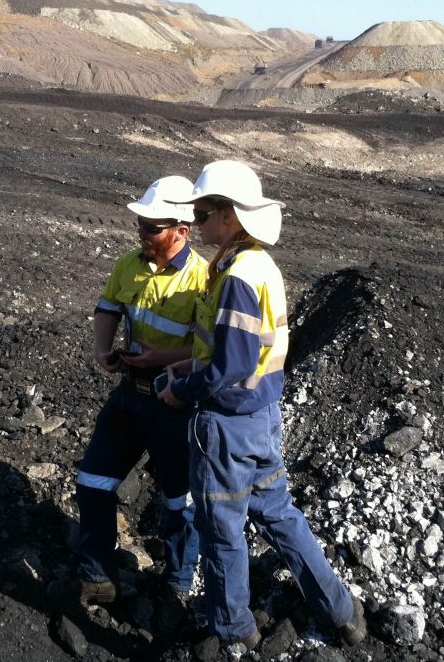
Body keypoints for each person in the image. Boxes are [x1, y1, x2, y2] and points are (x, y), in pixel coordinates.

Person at [157, 160, 366, 649]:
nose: (197, 223)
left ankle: (233, 632)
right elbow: (237, 352)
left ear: (230, 216)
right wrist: (190, 366)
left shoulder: (235, 278)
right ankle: (342, 612)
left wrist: (180, 390)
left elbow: (230, 364)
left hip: (226, 426)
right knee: (279, 513)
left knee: (221, 526)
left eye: (204, 213)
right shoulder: (258, 265)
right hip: (262, 419)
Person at [75, 176, 208, 605]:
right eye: (141, 224)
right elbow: (108, 307)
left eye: (152, 226)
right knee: (93, 480)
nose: (141, 232)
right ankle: (97, 574)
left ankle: (178, 583)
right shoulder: (128, 264)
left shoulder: (203, 280)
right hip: (130, 395)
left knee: (178, 500)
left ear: (181, 231)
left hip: (175, 403)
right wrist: (102, 349)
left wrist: (160, 358)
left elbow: (213, 346)